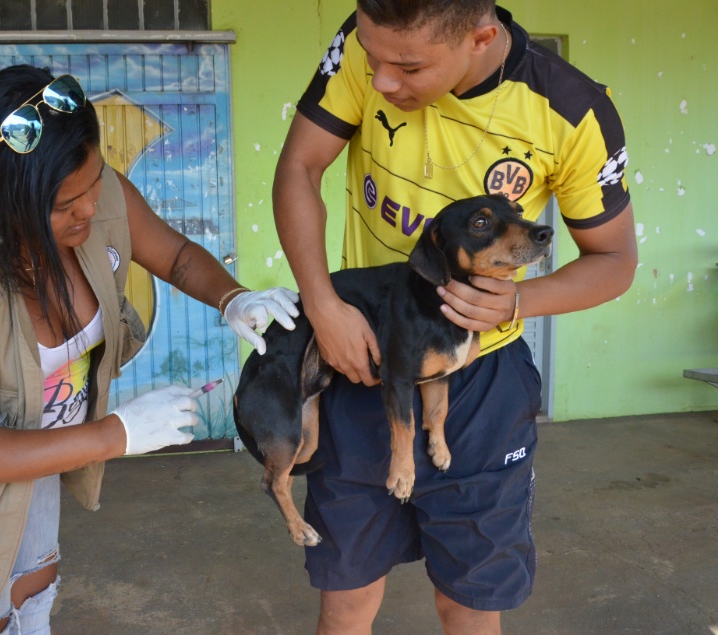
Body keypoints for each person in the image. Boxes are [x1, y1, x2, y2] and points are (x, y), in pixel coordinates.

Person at [0, 64, 298, 635]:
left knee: (34, 594)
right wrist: (119, 433)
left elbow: (175, 254)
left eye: (94, 184)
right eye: (67, 203)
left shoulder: (92, 194)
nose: (91, 211)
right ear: (7, 201)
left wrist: (233, 298)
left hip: (38, 448)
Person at [273, 2, 638, 633]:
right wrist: (322, 303)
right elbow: (299, 168)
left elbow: (615, 260)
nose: (382, 80)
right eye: (374, 58)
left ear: (482, 37)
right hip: (365, 362)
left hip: (485, 380)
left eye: (409, 67)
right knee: (348, 592)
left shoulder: (573, 109)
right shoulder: (368, 45)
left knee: (468, 598)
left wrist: (520, 300)